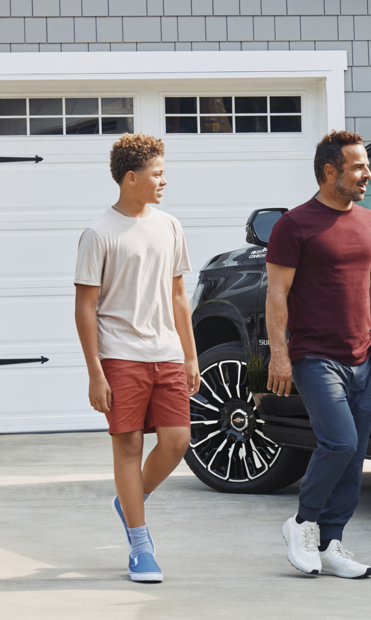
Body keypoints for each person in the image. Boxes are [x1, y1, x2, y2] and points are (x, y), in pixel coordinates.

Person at [73, 133, 198, 583]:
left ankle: (129, 501)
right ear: (131, 178)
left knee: (177, 441)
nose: (164, 181)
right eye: (157, 174)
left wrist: (190, 355)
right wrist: (94, 373)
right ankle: (141, 545)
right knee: (128, 446)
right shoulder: (99, 232)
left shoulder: (169, 225)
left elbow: (180, 294)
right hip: (120, 354)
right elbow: (86, 306)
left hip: (165, 351)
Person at [268, 130, 371, 578]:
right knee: (340, 442)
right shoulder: (294, 225)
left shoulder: (370, 221)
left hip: (363, 355)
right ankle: (301, 523)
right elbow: (276, 295)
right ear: (329, 171)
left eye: (366, 167)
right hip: (316, 355)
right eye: (358, 167)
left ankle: (332, 542)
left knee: (354, 458)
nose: (367, 175)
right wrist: (279, 355)